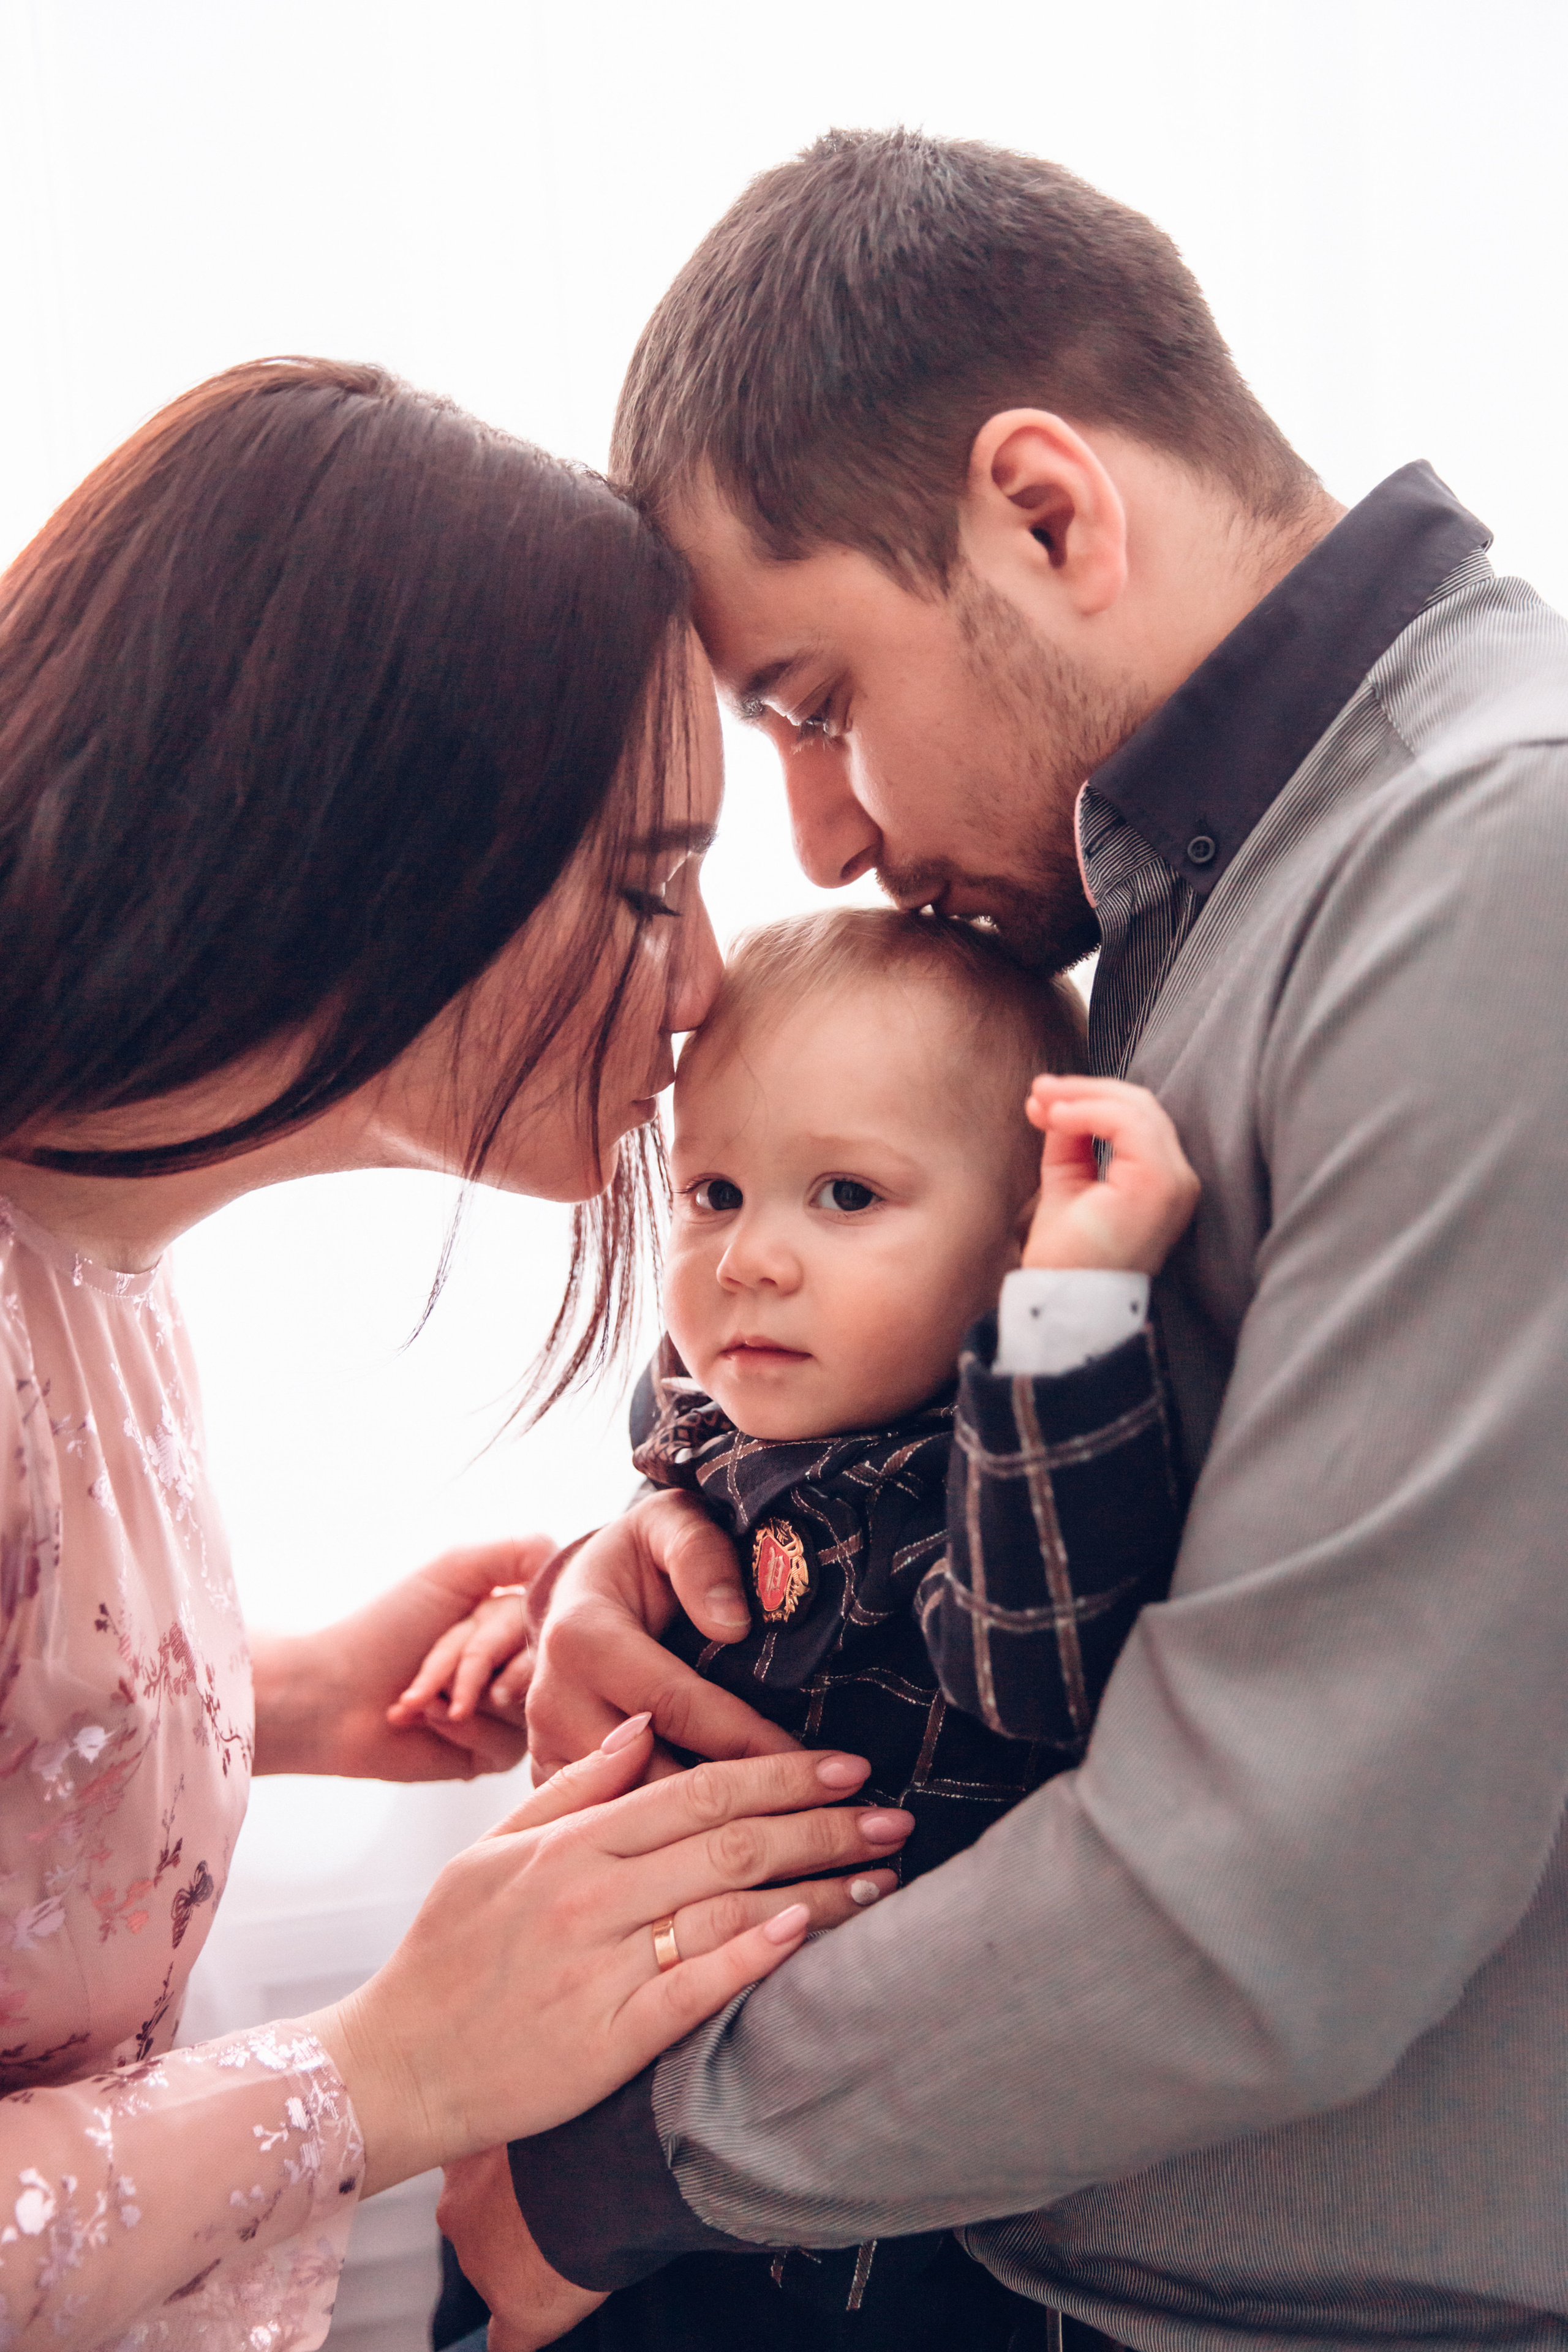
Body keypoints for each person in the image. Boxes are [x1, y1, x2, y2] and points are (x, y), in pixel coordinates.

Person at [442, 129, 1568, 2350]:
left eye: (815, 706)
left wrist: (613, 2164)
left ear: (1047, 514)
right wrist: (701, 1556)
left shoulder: (1494, 874)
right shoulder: (1174, 901)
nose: (823, 839)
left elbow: (1279, 1900)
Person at [0, 356, 919, 2352]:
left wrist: (292, 1696)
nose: (704, 986)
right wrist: (394, 2070)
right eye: (646, 886)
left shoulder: (90, 1259)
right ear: (349, 840)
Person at [408, 907, 1196, 2347]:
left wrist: (1073, 1315)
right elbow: (670, 1532)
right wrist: (547, 1612)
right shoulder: (719, 1410)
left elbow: (1036, 1661)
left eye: (844, 1194)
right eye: (713, 1191)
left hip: (835, 2213)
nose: (748, 1259)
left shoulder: (988, 1475)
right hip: (614, 2090)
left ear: (1021, 1242)